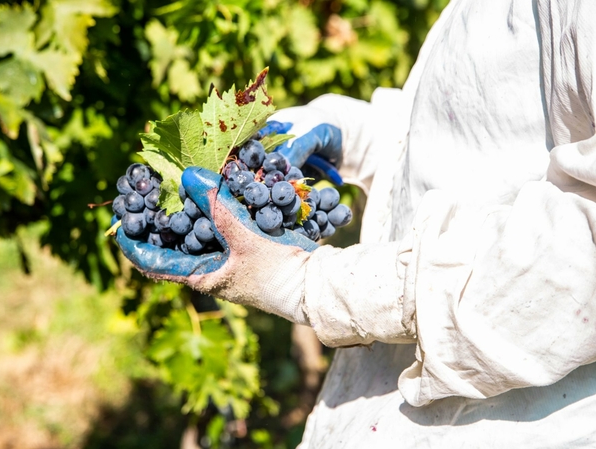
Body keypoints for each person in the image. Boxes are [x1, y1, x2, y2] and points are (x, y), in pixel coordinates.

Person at [117, 0, 596, 446]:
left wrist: (309, 285)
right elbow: (482, 128)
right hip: (378, 409)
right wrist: (357, 135)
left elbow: (577, 266)